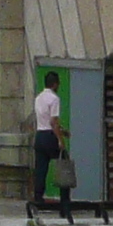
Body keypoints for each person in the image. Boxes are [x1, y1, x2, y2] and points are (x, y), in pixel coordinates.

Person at [30, 78, 64, 211]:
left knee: (41, 169)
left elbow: (44, 120)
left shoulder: (38, 98)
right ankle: (64, 197)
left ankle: (38, 197)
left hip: (40, 135)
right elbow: (53, 121)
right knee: (63, 163)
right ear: (55, 84)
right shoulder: (54, 99)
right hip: (50, 136)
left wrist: (62, 130)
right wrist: (60, 139)